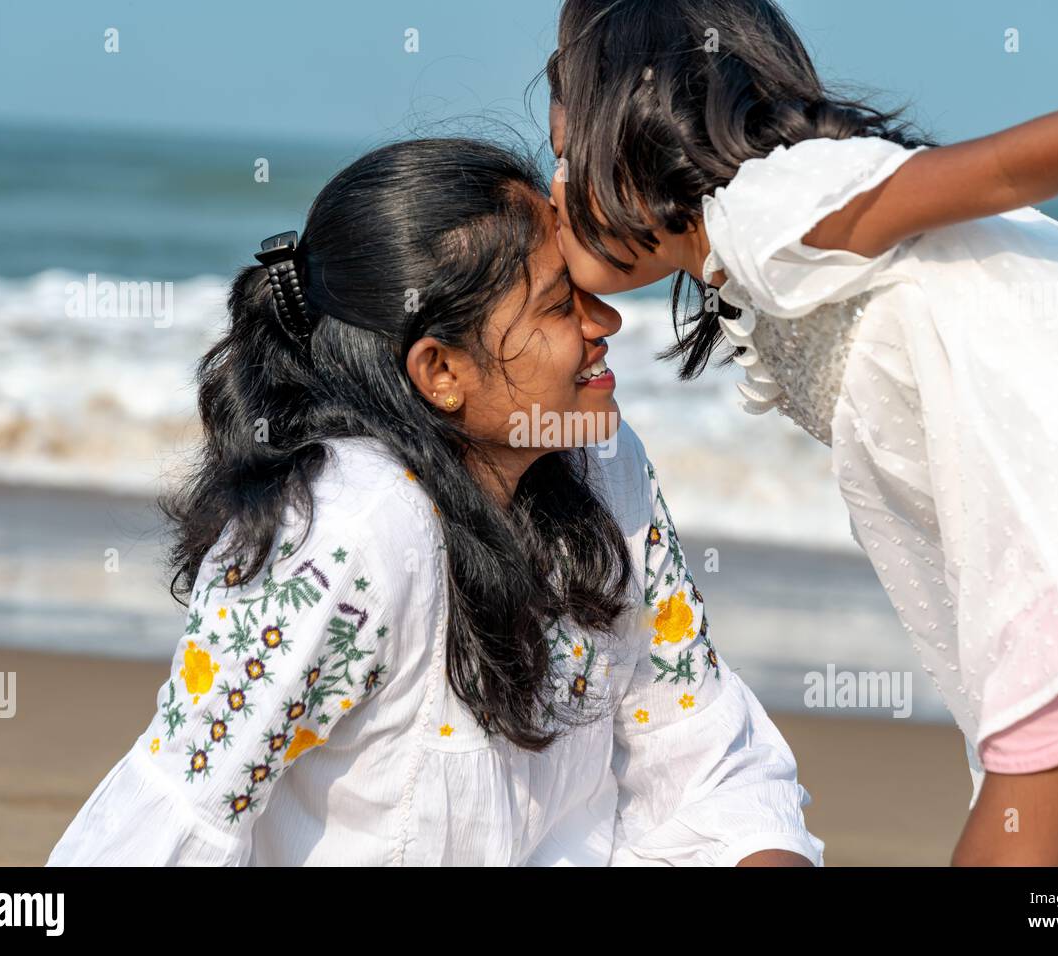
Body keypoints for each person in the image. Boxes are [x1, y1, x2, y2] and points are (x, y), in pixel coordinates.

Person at [545, 0, 1058, 865]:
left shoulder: (772, 207)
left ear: (633, 133)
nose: (554, 193)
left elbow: (1007, 167)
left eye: (565, 158)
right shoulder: (755, 257)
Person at [45, 137, 824, 867]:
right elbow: (181, 817)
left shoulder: (601, 468)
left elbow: (700, 745)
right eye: (560, 306)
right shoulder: (341, 534)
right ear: (440, 370)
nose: (606, 321)